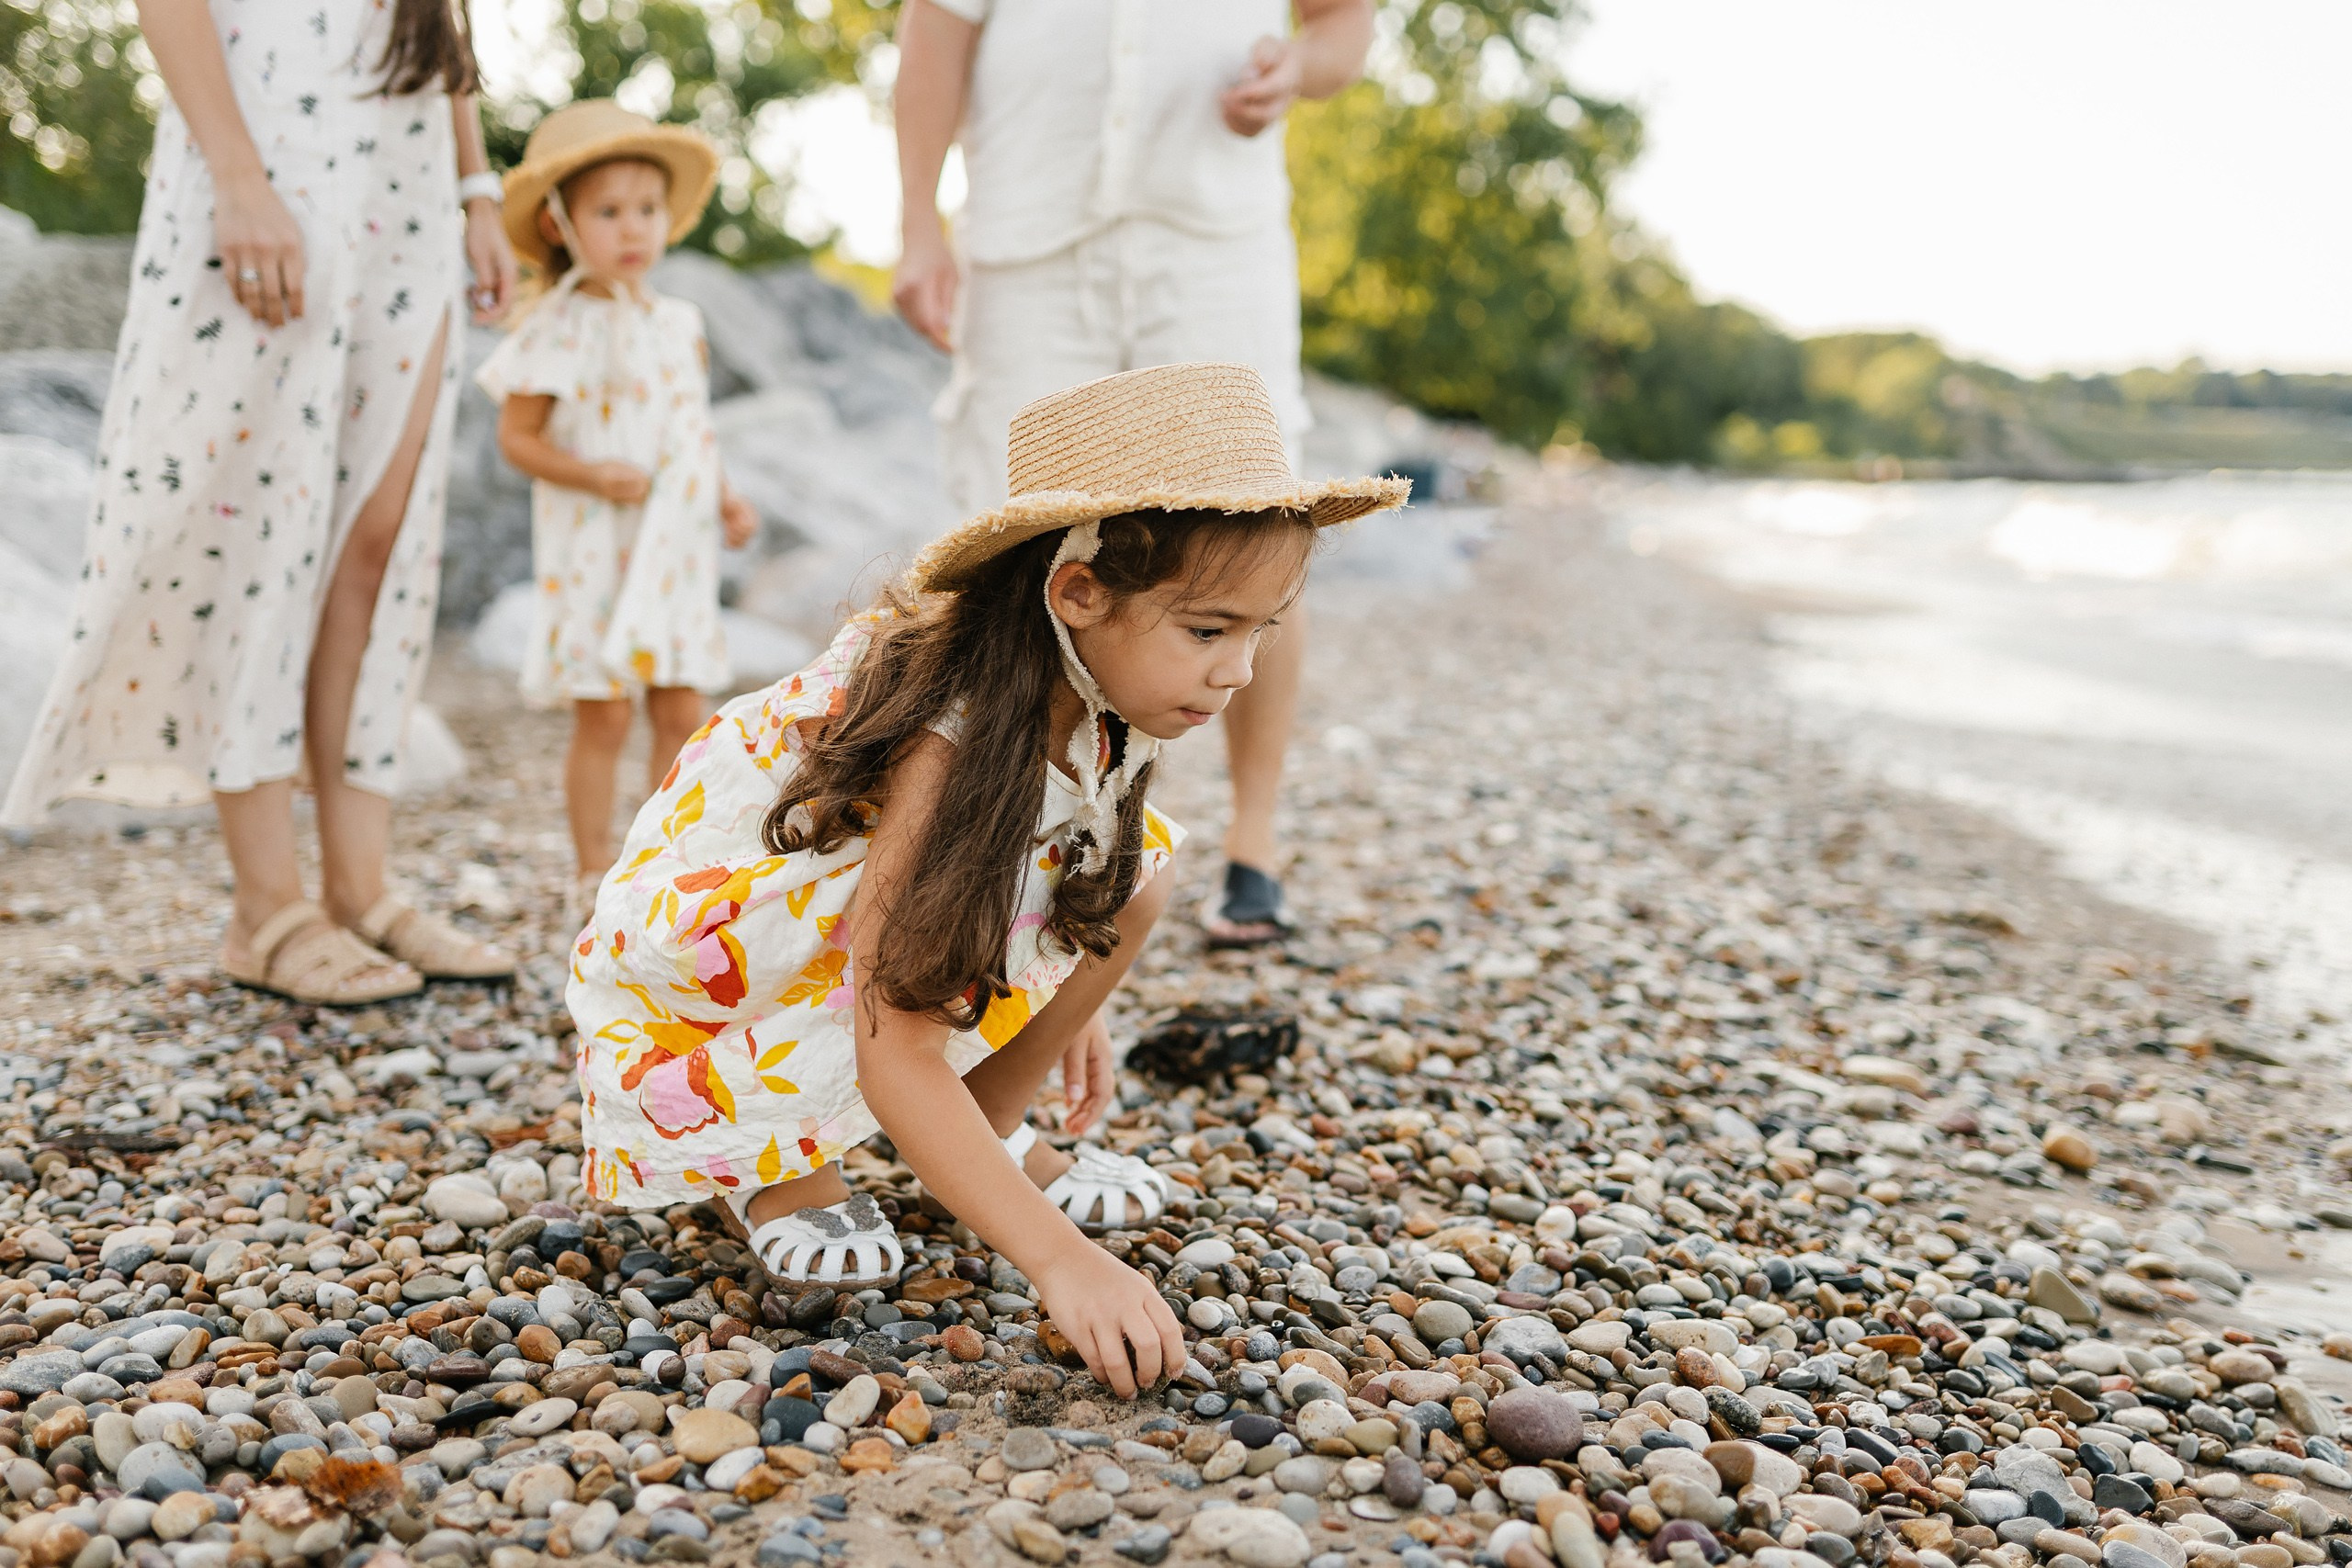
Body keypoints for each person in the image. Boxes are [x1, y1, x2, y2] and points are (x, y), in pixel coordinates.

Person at [567, 364, 1404, 1393]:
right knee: (902, 999)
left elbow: (1071, 856)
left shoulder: (1102, 686)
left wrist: (1054, 988)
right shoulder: (953, 745)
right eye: (1209, 631)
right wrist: (1061, 1261)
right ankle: (770, 1162)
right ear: (1078, 594)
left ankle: (986, 1134)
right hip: (727, 950)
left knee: (1137, 879)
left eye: (1260, 632)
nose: (1238, 671)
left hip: (894, 904)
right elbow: (894, 1044)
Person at [2, 0, 519, 1003]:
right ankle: (264, 904)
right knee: (259, 533)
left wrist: (476, 185)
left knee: (378, 537)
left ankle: (360, 887)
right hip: (267, 151)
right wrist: (237, 176)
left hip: (404, 175)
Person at [890, 0, 1375, 948]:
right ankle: (1008, 839)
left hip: (1214, 240)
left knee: (1255, 517)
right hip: (1026, 233)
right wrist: (916, 219)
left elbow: (1345, 24)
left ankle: (1252, 840)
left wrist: (1299, 68)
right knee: (1011, 531)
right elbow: (934, 32)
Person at [474, 101, 761, 924]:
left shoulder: (679, 321)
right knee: (602, 711)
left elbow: (689, 428)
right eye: (608, 212)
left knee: (679, 704)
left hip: (670, 545)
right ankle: (592, 860)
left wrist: (728, 496)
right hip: (595, 547)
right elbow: (517, 438)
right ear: (562, 224)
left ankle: (663, 850)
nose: (633, 229)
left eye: (646, 210)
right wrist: (590, 472)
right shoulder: (559, 323)